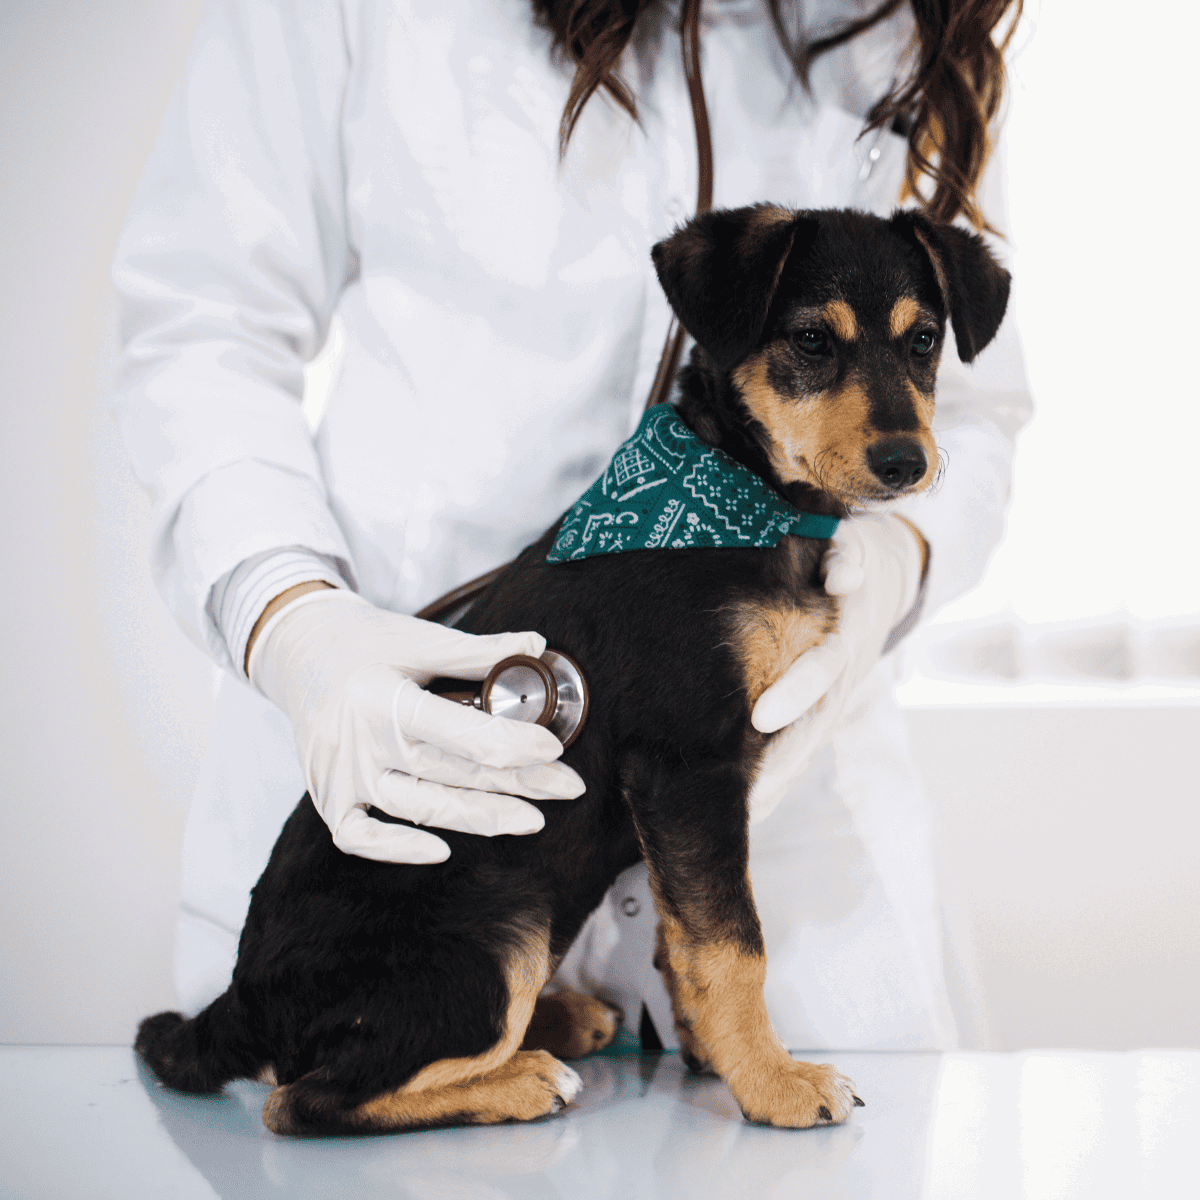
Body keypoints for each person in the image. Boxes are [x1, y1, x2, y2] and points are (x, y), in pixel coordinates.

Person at [113, 0, 1031, 1051]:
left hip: (793, 853)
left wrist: (893, 569)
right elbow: (203, 320)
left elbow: (981, 408)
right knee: (353, 1063)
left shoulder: (914, 30)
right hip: (406, 784)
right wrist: (286, 615)